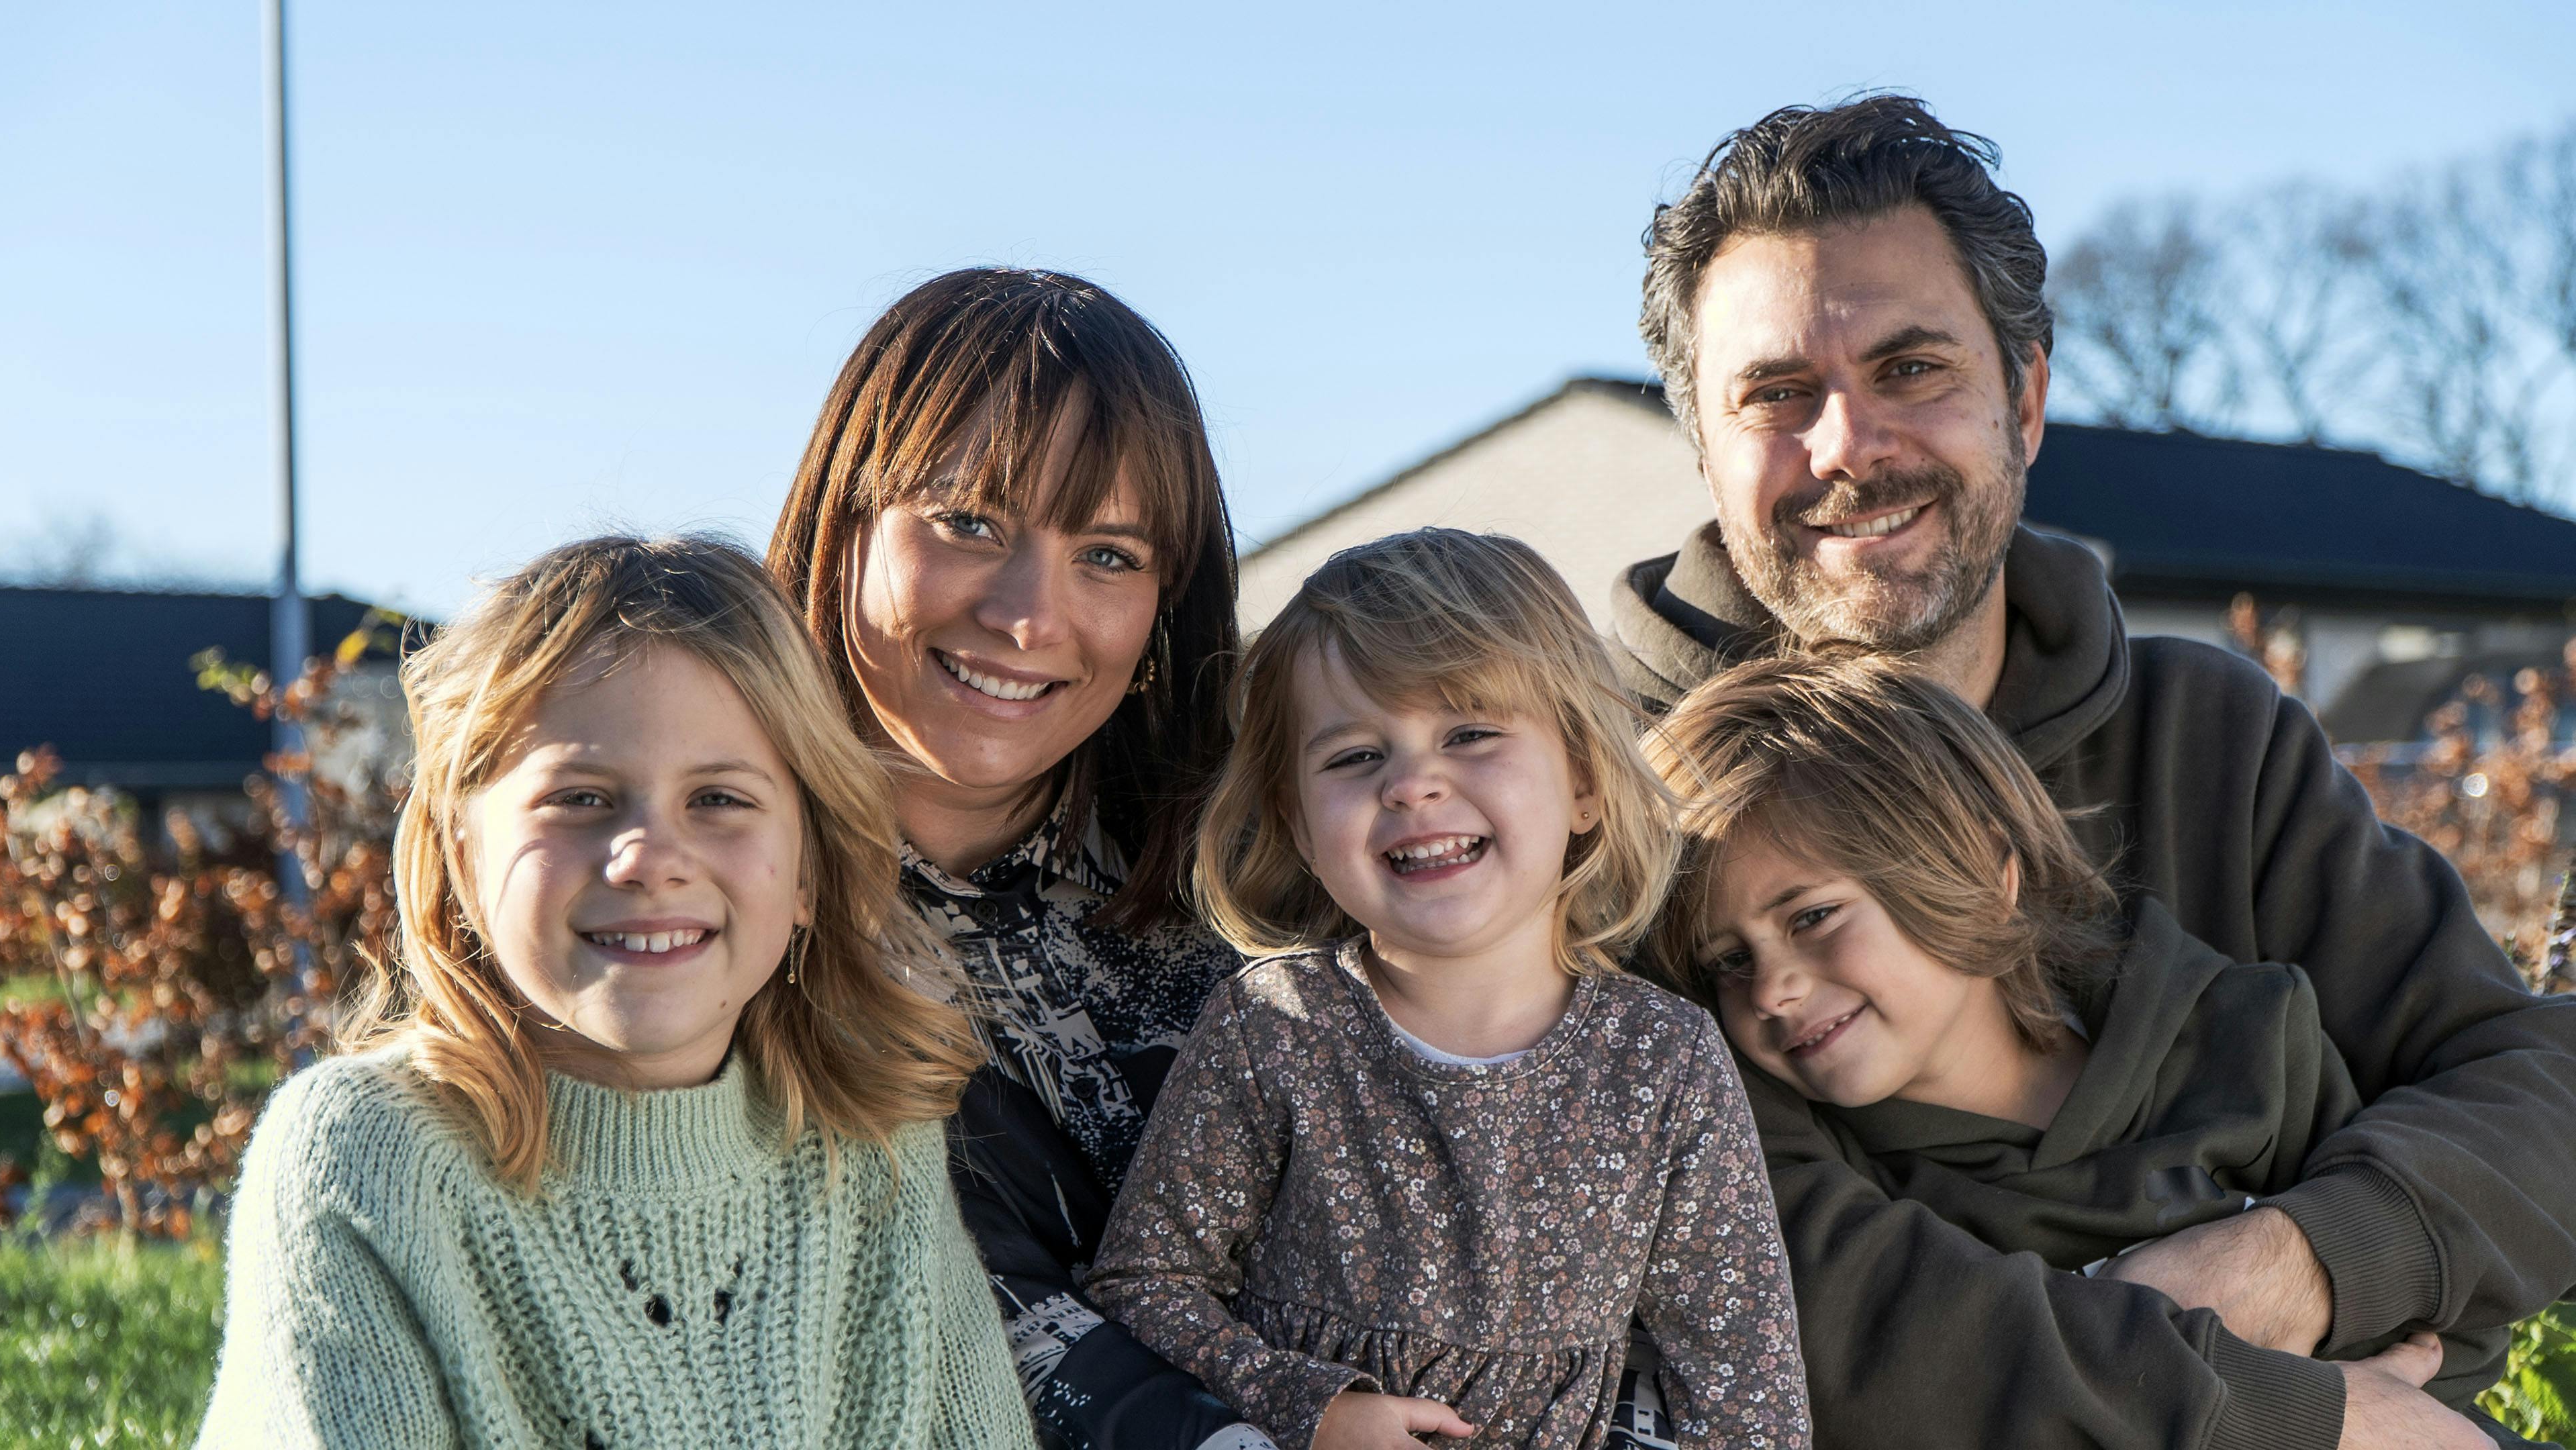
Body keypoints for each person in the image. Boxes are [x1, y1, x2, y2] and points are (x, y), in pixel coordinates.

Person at [1613, 93, 2576, 1449]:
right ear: (1705, 452)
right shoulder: (1613, 821)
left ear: (2028, 396)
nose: (1848, 446)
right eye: (1776, 397)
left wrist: (2297, 1264)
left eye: (1910, 370)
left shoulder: (2211, 739)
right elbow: (1806, 1307)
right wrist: (2295, 1412)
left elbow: (2532, 1085)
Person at [197, 536, 1032, 1448]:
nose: (649, 860)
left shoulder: (875, 1147)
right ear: (463, 857)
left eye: (718, 800)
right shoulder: (365, 1160)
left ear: (808, 871)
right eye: (582, 799)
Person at [1646, 651, 2542, 1446]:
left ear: (1980, 876)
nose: (1773, 990)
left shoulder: (2240, 1042)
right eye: (1729, 961)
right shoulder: (1847, 1187)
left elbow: (2444, 1329)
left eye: (1812, 917)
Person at [1085, 529, 1811, 1450]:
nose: (1415, 785)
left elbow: (1743, 1384)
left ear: (1584, 779)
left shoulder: (1663, 1060)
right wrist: (1306, 1405)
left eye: (1470, 734)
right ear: (1301, 829)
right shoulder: (1276, 1029)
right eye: (1354, 757)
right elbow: (1142, 1287)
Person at [767, 269, 1263, 1449]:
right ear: (846, 520)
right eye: (971, 524)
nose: (1029, 616)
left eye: (1108, 555)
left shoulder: (1267, 884)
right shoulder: (695, 900)